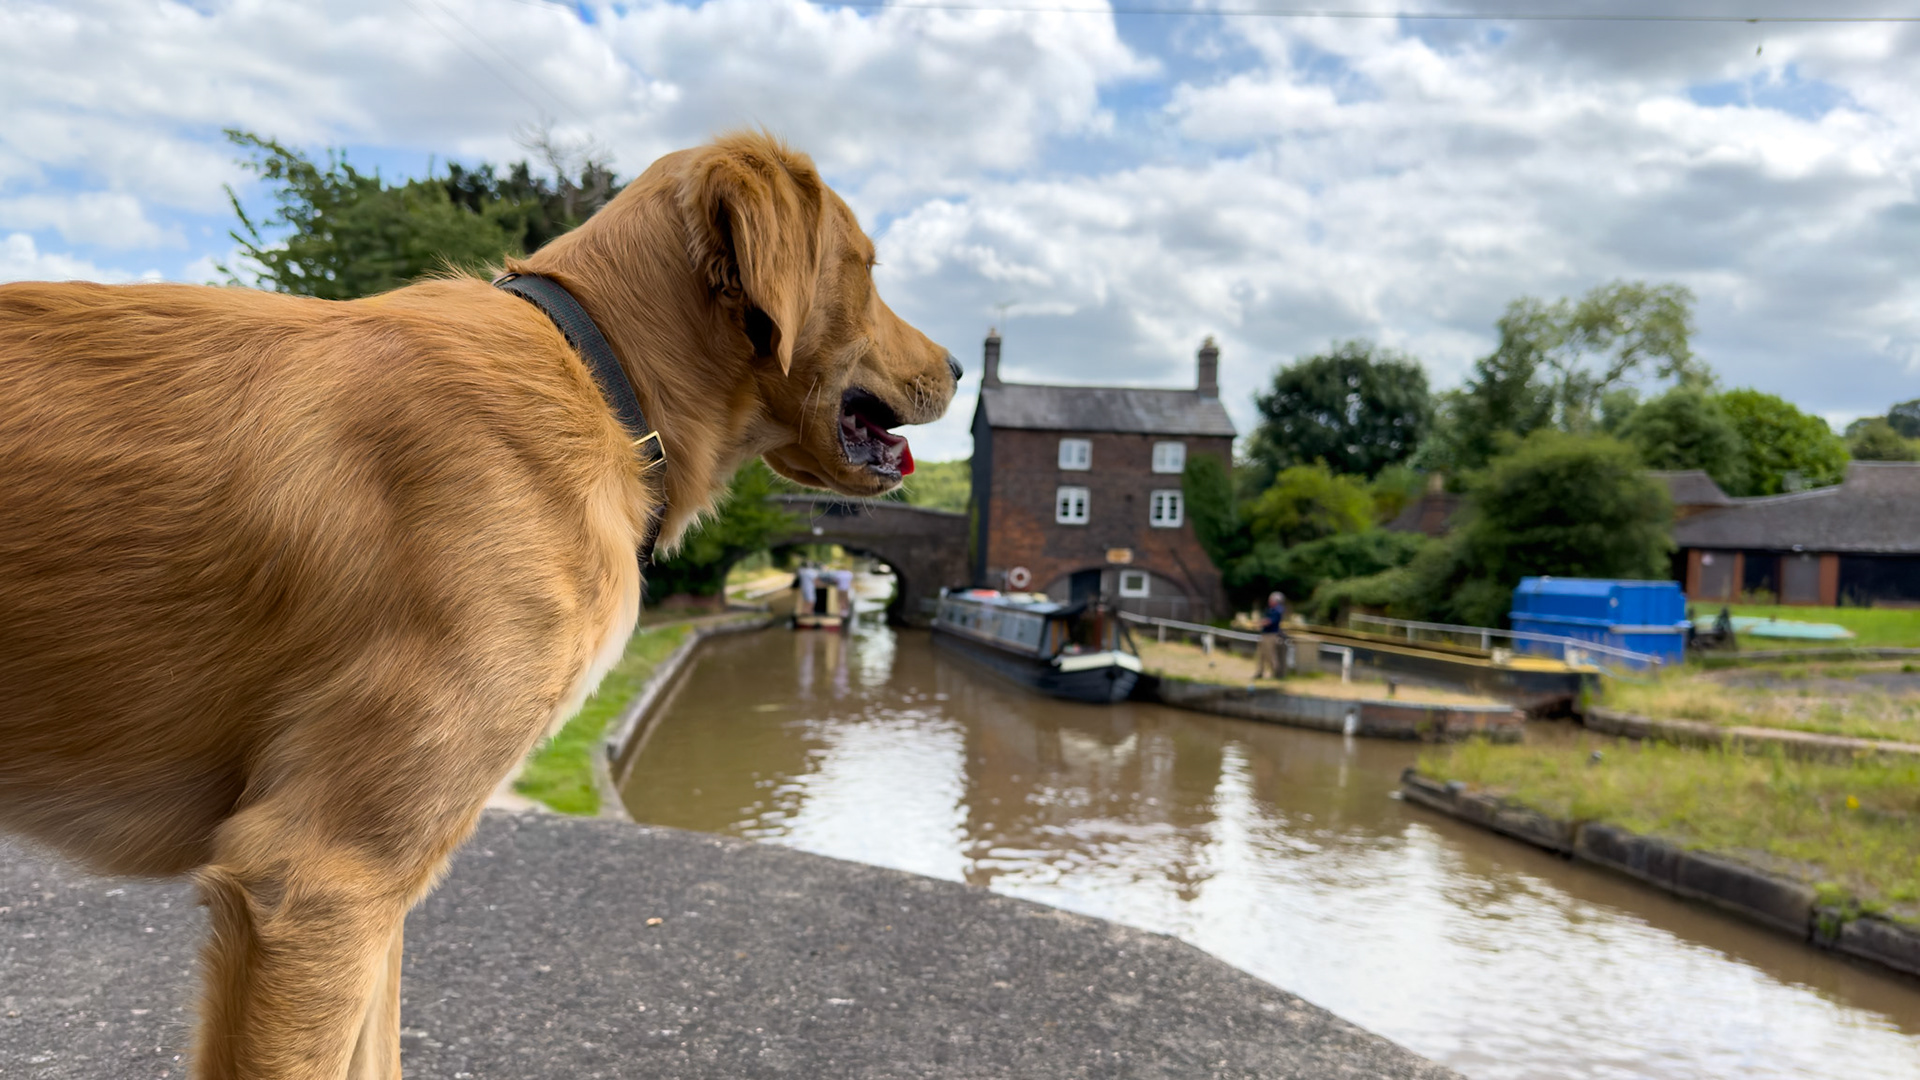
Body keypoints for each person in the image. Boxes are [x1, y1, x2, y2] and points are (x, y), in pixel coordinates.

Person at [1253, 591, 1287, 679]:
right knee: (1261, 654)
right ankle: (1259, 672)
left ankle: (1276, 673)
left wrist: (1261, 622)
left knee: (1270, 655)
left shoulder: (1277, 610)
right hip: (1265, 634)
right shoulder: (1271, 609)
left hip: (1271, 635)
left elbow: (1270, 621)